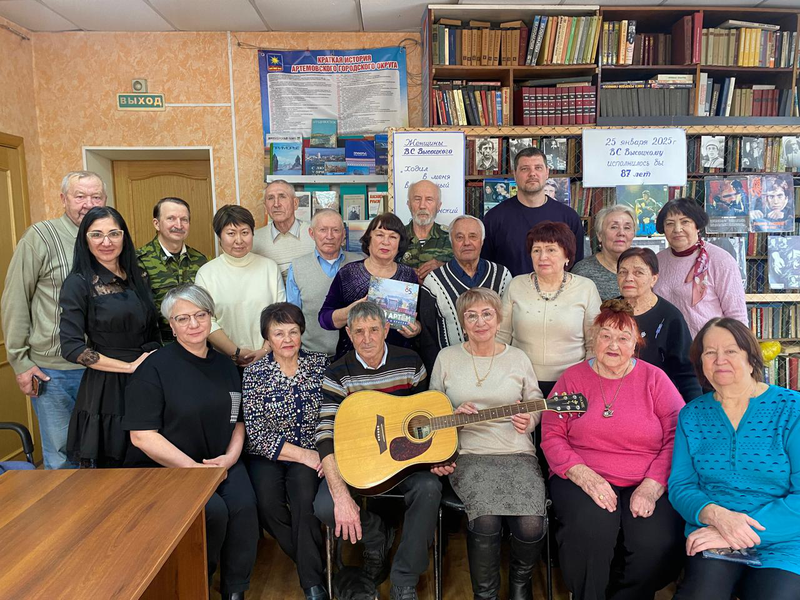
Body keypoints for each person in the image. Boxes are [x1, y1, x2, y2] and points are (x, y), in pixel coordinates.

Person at [541, 299, 686, 600]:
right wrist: (583, 476)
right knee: (591, 532)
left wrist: (653, 485)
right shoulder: (573, 378)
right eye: (605, 335)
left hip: (646, 476)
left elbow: (677, 434)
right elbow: (552, 434)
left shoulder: (654, 379)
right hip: (582, 474)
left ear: (636, 343)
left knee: (655, 542)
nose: (613, 345)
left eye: (623, 338)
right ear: (594, 339)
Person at [123, 284, 257, 600]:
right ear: (171, 325)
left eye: (200, 315)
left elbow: (238, 420)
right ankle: (197, 585)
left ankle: (234, 589)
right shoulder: (154, 367)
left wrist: (231, 457)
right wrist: (194, 470)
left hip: (219, 461)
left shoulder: (225, 364)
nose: (194, 324)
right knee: (212, 512)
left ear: (211, 317)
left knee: (244, 507)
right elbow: (141, 436)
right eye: (183, 319)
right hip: (169, 469)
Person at [313, 302, 438, 600]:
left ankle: (405, 579)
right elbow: (325, 433)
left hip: (403, 461)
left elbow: (424, 419)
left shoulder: (410, 362)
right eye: (359, 332)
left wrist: (438, 457)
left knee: (430, 488)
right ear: (349, 333)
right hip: (356, 461)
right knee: (325, 505)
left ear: (385, 330)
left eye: (373, 330)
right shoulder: (337, 373)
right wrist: (341, 496)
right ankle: (377, 536)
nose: (367, 338)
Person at [670, 318, 800, 600]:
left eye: (731, 351)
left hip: (785, 540)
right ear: (700, 362)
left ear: (751, 358)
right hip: (713, 534)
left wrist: (736, 529)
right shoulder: (691, 415)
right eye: (709, 352)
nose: (719, 360)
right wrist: (716, 516)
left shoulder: (792, 409)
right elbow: (681, 485)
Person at [429, 288, 547, 600]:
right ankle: (486, 594)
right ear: (462, 322)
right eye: (472, 315)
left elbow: (534, 400)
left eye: (487, 314)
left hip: (517, 451)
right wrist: (454, 417)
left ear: (498, 319)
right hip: (470, 453)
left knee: (532, 525)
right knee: (485, 520)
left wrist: (529, 420)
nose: (480, 321)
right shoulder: (447, 358)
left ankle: (521, 585)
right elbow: (430, 410)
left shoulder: (517, 357)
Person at [1, 171, 107, 469]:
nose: (88, 204)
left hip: (102, 368)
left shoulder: (109, 238)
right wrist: (20, 362)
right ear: (63, 199)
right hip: (53, 372)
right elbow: (15, 299)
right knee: (62, 458)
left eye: (95, 197)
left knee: (102, 453)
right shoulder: (40, 237)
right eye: (80, 196)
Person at [59, 206, 161, 467]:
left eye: (114, 233)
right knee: (117, 472)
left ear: (124, 236)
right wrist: (128, 367)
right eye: (97, 235)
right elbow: (72, 347)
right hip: (108, 385)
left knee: (152, 463)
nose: (106, 242)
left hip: (146, 377)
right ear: (85, 239)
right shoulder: (78, 283)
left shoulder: (139, 275)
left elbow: (152, 328)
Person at [243, 303, 329, 600]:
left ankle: (312, 584)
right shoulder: (254, 373)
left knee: (305, 499)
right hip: (270, 455)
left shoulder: (320, 365)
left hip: (311, 449)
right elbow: (255, 433)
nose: (288, 339)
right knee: (267, 505)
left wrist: (314, 453)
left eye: (293, 331)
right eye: (278, 333)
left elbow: (332, 414)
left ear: (301, 332)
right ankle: (316, 565)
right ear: (267, 338)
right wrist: (304, 455)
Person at [497, 221, 601, 398]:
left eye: (551, 250)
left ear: (566, 255)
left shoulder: (586, 288)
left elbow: (594, 342)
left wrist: (585, 380)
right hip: (520, 382)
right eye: (536, 250)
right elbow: (501, 337)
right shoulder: (516, 285)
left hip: (571, 383)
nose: (542, 257)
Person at [319, 213, 420, 361]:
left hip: (398, 362)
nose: (385, 242)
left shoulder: (408, 275)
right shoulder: (348, 273)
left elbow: (420, 321)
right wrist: (349, 312)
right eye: (380, 235)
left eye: (393, 237)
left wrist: (416, 329)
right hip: (353, 362)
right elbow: (324, 319)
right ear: (369, 239)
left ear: (400, 243)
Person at [417, 215, 512, 373]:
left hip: (497, 368)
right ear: (451, 242)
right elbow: (428, 337)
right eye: (459, 237)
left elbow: (509, 326)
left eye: (473, 236)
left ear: (482, 240)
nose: (466, 242)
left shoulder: (502, 276)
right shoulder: (433, 282)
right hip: (453, 371)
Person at [195, 205, 285, 369]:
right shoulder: (206, 273)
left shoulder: (269, 268)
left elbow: (280, 315)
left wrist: (264, 350)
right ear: (219, 236)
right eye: (231, 233)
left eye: (245, 232)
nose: (239, 240)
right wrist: (236, 352)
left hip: (269, 360)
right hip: (223, 363)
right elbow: (207, 321)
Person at [616, 247, 702, 403]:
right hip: (615, 394)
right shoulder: (610, 311)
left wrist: (694, 413)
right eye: (622, 272)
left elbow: (686, 373)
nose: (628, 278)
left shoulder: (670, 316)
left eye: (638, 273)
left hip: (658, 398)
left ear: (654, 279)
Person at [482, 147, 585, 276]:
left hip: (558, 294)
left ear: (547, 172)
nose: (532, 174)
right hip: (510, 294)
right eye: (525, 169)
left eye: (538, 168)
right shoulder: (494, 218)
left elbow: (576, 266)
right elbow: (487, 266)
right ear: (515, 174)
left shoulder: (569, 217)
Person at [653, 198, 747, 338]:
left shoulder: (721, 260)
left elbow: (736, 315)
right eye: (670, 224)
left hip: (708, 347)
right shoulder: (656, 261)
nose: (677, 229)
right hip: (665, 348)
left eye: (685, 222)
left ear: (697, 225)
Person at [285, 209, 361, 357]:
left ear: (344, 233)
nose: (329, 236)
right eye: (323, 230)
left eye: (335, 230)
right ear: (312, 233)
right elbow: (293, 317)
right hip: (311, 355)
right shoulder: (297, 267)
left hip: (354, 355)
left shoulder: (360, 263)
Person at [136, 196, 207, 342]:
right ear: (156, 224)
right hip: (158, 345)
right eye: (171, 218)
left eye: (184, 220)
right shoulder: (139, 261)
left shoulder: (200, 260)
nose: (179, 225)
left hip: (196, 342)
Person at [252, 179, 315, 280]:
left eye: (282, 196)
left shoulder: (315, 235)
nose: (276, 204)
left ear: (295, 203)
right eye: (270, 198)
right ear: (265, 207)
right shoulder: (254, 240)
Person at [572, 205, 636, 300]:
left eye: (627, 228)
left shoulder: (643, 268)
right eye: (614, 227)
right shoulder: (583, 272)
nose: (621, 233)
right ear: (600, 235)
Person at [400, 180, 454, 281]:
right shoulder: (396, 237)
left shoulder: (452, 238)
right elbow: (382, 268)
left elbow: (467, 270)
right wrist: (404, 273)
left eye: (429, 199)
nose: (422, 206)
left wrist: (443, 268)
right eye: (417, 199)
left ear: (438, 206)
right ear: (409, 205)